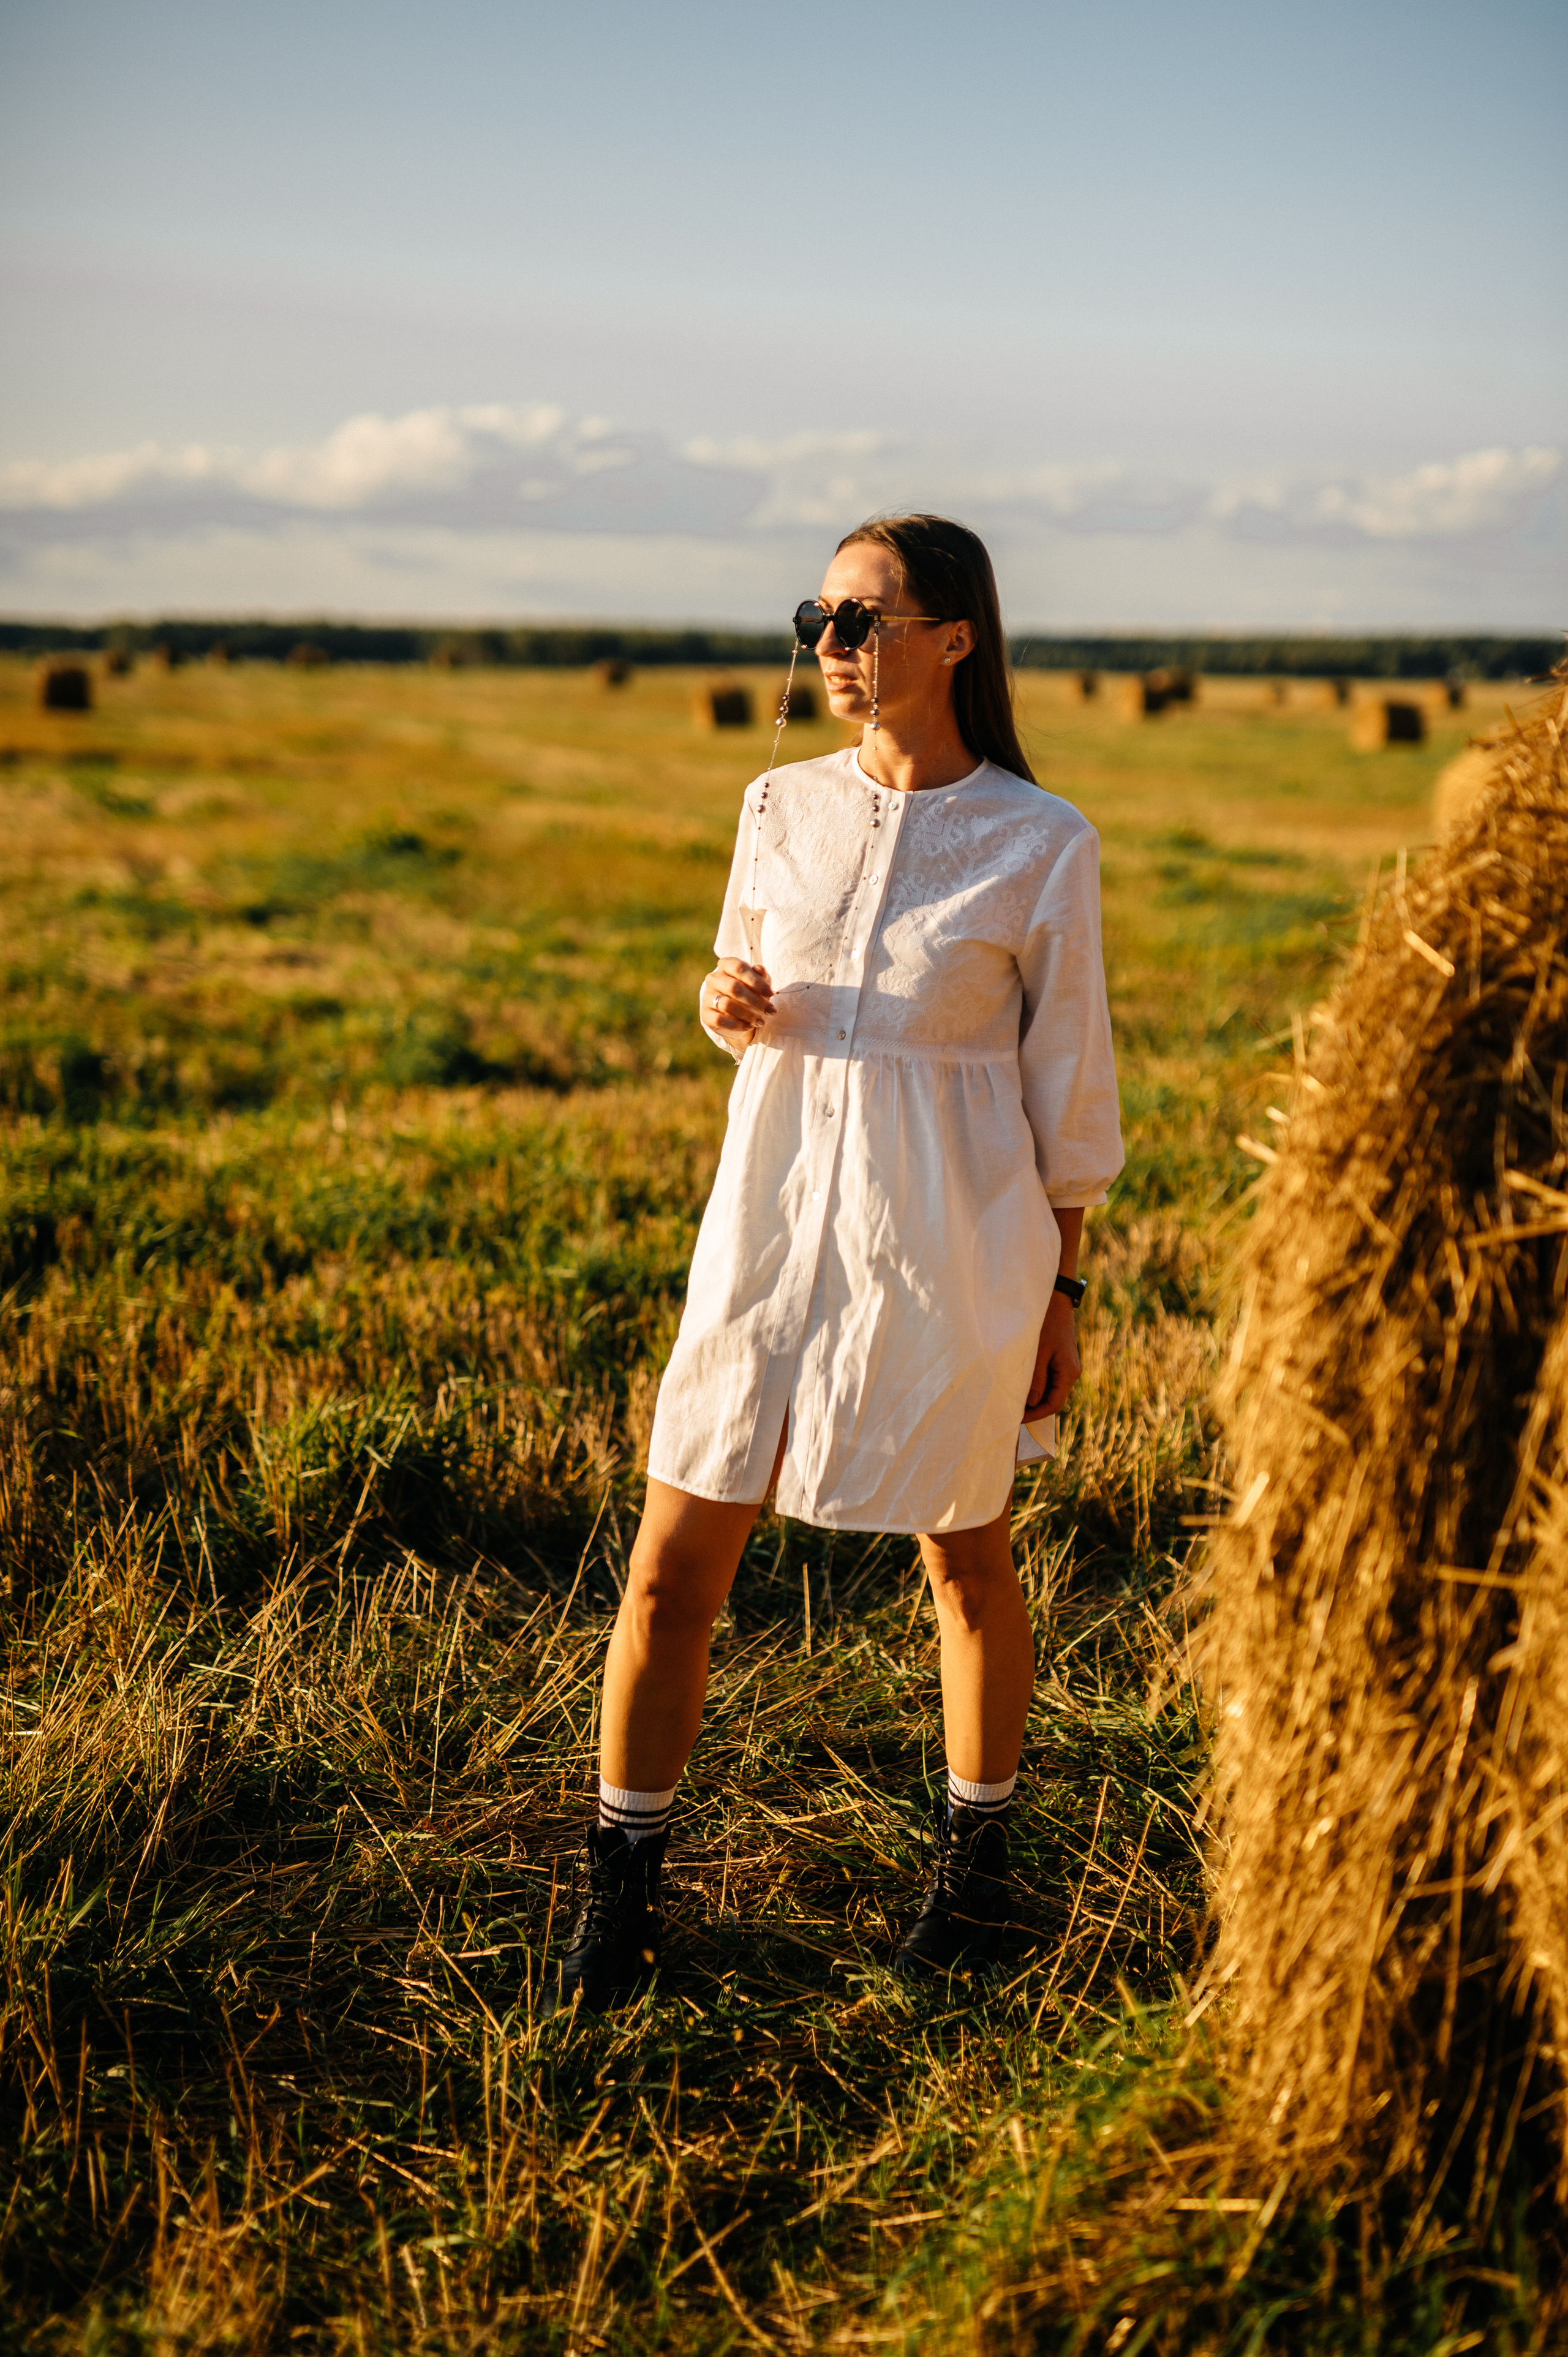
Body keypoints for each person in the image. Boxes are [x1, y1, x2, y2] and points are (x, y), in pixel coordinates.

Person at [552, 513, 1123, 2008]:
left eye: (861, 618)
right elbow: (737, 981)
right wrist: (720, 997)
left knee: (962, 1557)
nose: (830, 643)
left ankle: (977, 1878)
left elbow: (1070, 1095)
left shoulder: (1039, 840)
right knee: (673, 1562)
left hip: (949, 1237)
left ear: (953, 639)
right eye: (818, 614)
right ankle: (619, 1907)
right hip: (768, 1216)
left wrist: (1064, 1288)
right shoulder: (775, 800)